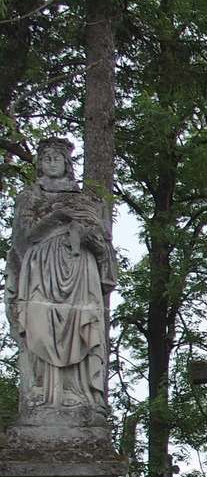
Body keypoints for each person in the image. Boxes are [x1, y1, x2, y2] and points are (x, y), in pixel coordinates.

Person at [7, 137, 116, 413]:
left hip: (79, 269)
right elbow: (22, 238)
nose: (52, 162)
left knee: (80, 327)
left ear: (67, 164)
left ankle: (77, 393)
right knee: (40, 327)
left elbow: (101, 238)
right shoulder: (30, 197)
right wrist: (56, 217)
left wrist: (84, 231)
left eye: (57, 158)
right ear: (39, 165)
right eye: (46, 158)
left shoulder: (85, 199)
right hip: (40, 270)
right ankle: (42, 391)